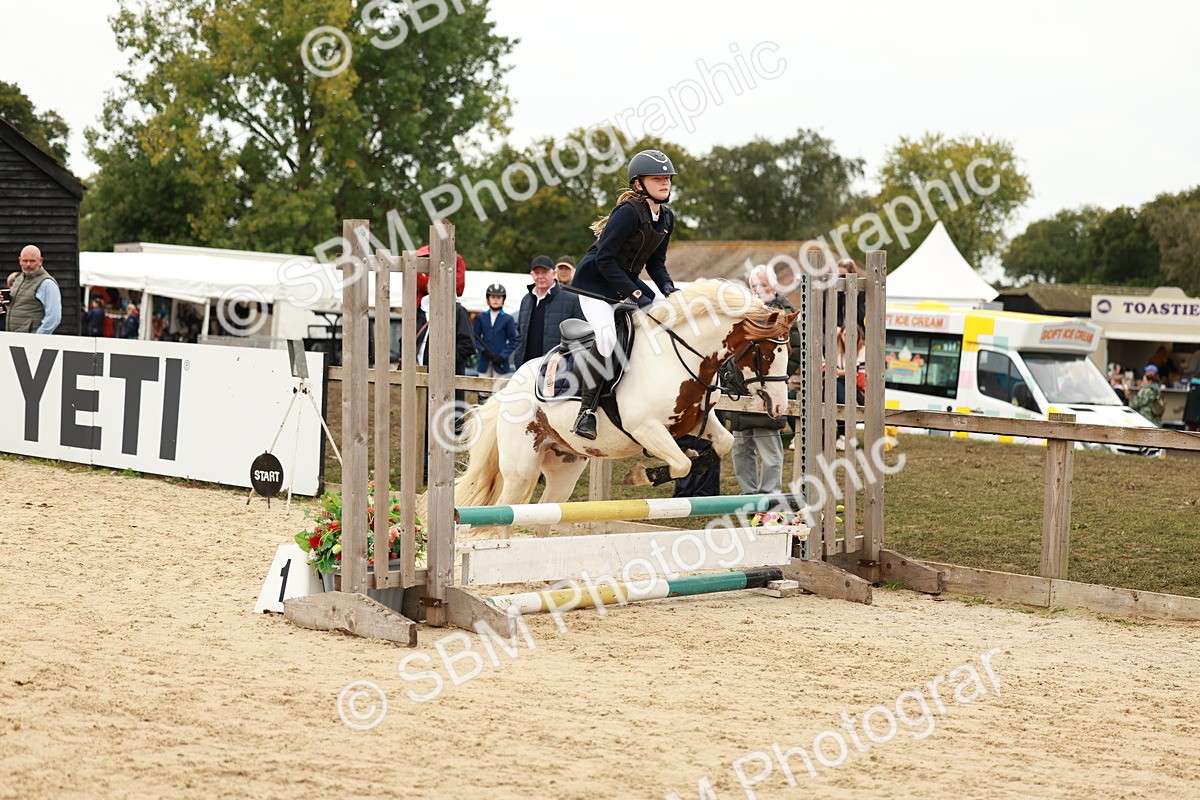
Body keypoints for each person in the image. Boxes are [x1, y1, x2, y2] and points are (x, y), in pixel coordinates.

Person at [567, 149, 680, 440]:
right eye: (658, 179)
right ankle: (586, 411)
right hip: (594, 286)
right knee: (607, 337)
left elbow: (656, 263)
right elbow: (604, 260)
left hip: (625, 283)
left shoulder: (666, 217)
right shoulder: (628, 212)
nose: (665, 184)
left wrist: (670, 291)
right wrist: (635, 292)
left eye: (667, 178)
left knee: (668, 323)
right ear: (639, 184)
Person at [723, 265, 800, 493]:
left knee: (770, 451)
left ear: (774, 286)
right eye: (754, 286)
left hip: (768, 391)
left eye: (763, 285)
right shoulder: (743, 311)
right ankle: (748, 496)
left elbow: (794, 351)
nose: (758, 290)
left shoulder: (785, 313)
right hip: (739, 391)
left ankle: (769, 497)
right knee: (740, 450)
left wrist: (772, 379)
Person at [512, 255, 584, 368]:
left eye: (544, 272)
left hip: (558, 369)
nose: (540, 276)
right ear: (531, 274)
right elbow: (520, 335)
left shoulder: (572, 299)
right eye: (537, 273)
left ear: (553, 273)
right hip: (527, 368)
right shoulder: (525, 300)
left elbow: (581, 335)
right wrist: (518, 360)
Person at [7, 245, 61, 334]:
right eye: (25, 261)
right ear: (20, 261)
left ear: (40, 261)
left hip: (32, 342)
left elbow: (54, 317)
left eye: (32, 261)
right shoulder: (18, 279)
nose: (28, 264)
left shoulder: (47, 284)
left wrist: (37, 337)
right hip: (14, 338)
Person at [472, 284, 517, 380]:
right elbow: (475, 337)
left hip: (500, 362)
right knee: (482, 390)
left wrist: (502, 356)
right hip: (484, 361)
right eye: (493, 297)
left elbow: (513, 342)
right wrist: (483, 351)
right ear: (487, 299)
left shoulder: (508, 319)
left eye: (499, 297)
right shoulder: (481, 317)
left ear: (503, 300)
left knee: (498, 389)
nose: (495, 300)